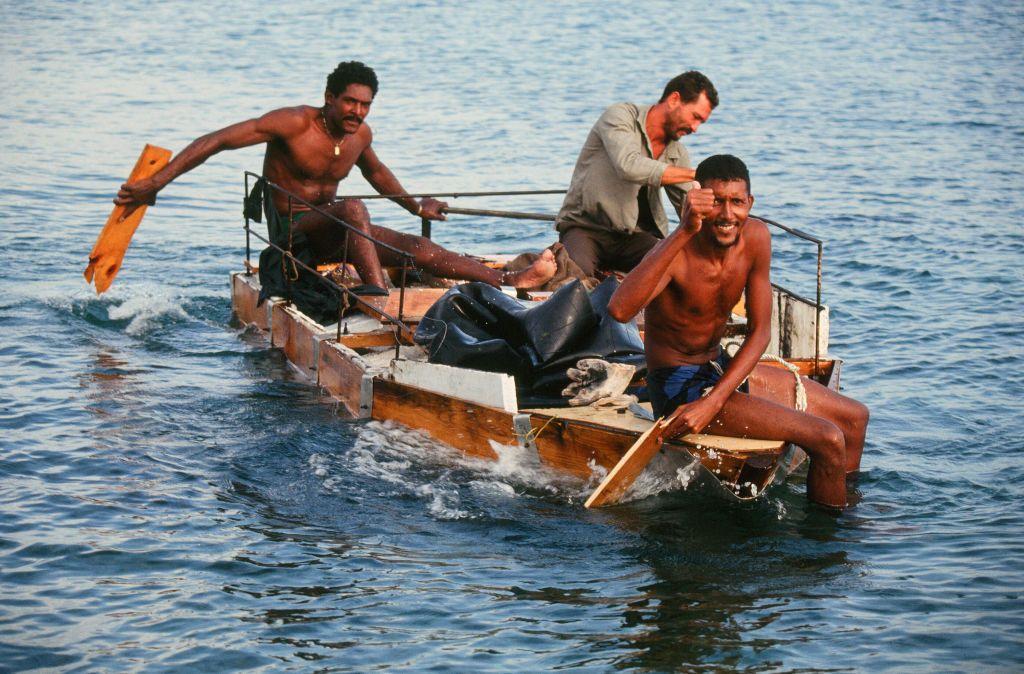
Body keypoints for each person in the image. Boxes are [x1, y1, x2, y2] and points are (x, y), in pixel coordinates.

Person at [115, 61, 556, 293]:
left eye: (365, 105)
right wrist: (157, 183)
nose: (357, 112)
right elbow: (217, 141)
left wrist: (416, 207)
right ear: (329, 97)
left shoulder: (360, 135)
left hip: (335, 229)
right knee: (354, 208)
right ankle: (376, 295)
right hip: (292, 235)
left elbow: (378, 172)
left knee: (416, 247)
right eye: (349, 102)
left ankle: (509, 281)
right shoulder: (293, 123)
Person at [607, 155, 869, 508]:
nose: (727, 214)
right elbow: (620, 310)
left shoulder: (756, 237)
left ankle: (847, 507)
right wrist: (684, 230)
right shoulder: (678, 251)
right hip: (679, 389)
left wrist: (714, 400)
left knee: (853, 418)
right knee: (827, 438)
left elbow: (761, 332)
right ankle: (829, 535)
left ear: (750, 202)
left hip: (719, 373)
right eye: (716, 201)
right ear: (697, 200)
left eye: (737, 202)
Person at [555, 71, 718, 278]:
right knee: (575, 281)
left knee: (679, 272)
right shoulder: (620, 116)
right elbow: (628, 166)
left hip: (634, 239)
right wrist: (697, 174)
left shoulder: (678, 153)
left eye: (701, 122)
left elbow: (688, 209)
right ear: (674, 99)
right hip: (585, 227)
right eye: (695, 117)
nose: (695, 128)